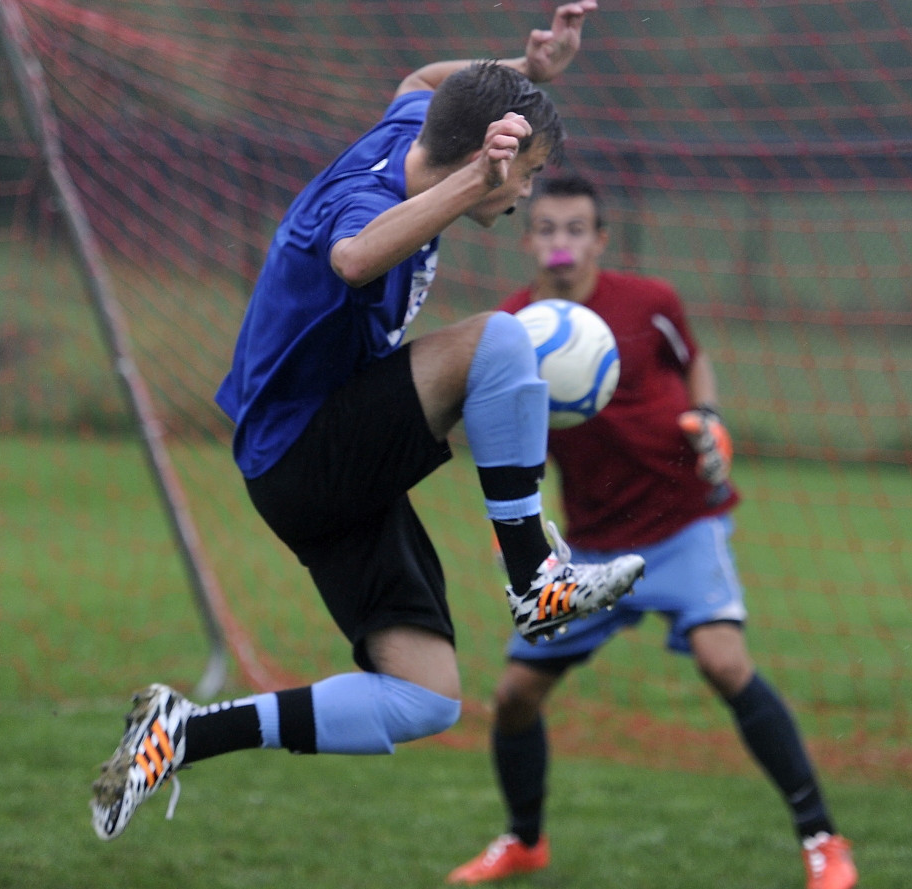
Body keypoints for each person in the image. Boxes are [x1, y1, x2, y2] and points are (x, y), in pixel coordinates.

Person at [89, 1, 647, 843]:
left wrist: (524, 75)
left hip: (314, 472)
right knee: (498, 341)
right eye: (525, 171)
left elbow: (425, 81)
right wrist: (477, 179)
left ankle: (181, 732)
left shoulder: (414, 127)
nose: (527, 189)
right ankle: (536, 578)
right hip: (302, 449)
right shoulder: (370, 196)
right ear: (480, 158)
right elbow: (352, 257)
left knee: (422, 696)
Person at [445, 175, 858, 889]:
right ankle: (523, 839)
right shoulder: (514, 326)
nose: (561, 243)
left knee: (723, 662)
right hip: (591, 538)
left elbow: (693, 362)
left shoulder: (651, 302)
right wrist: (516, 532)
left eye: (575, 229)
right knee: (513, 695)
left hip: (681, 521)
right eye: (546, 229)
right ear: (528, 240)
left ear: (600, 239)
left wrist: (712, 420)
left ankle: (822, 838)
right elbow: (509, 430)